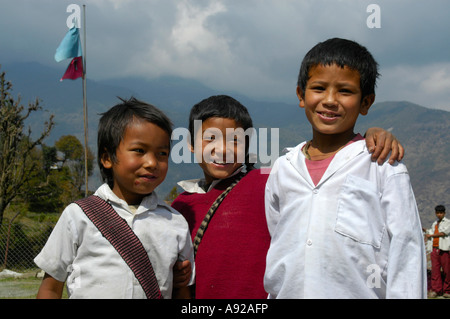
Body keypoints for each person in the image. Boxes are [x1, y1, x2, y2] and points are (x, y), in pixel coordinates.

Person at [172, 94, 405, 299]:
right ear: (191, 145)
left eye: (235, 140)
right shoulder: (180, 206)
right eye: (210, 138)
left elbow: (315, 164)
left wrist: (369, 138)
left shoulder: (266, 179)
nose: (222, 149)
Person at [264, 38, 426, 299]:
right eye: (318, 88)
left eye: (345, 91)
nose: (330, 100)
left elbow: (406, 250)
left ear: (366, 103)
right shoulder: (283, 168)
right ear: (301, 95)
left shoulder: (381, 164)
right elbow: (279, 237)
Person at [34, 97, 194, 299]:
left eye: (162, 153)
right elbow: (50, 287)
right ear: (107, 158)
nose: (152, 162)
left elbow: (182, 291)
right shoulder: (78, 216)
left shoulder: (175, 223)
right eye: (139, 151)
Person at [425, 205, 450, 298]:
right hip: (434, 249)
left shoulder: (448, 223)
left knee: (447, 270)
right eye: (437, 213)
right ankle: (436, 290)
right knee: (435, 271)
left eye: (441, 213)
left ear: (444, 213)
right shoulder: (435, 223)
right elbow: (430, 231)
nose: (439, 215)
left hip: (444, 249)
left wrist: (430, 236)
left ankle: (447, 290)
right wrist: (425, 230)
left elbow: (443, 233)